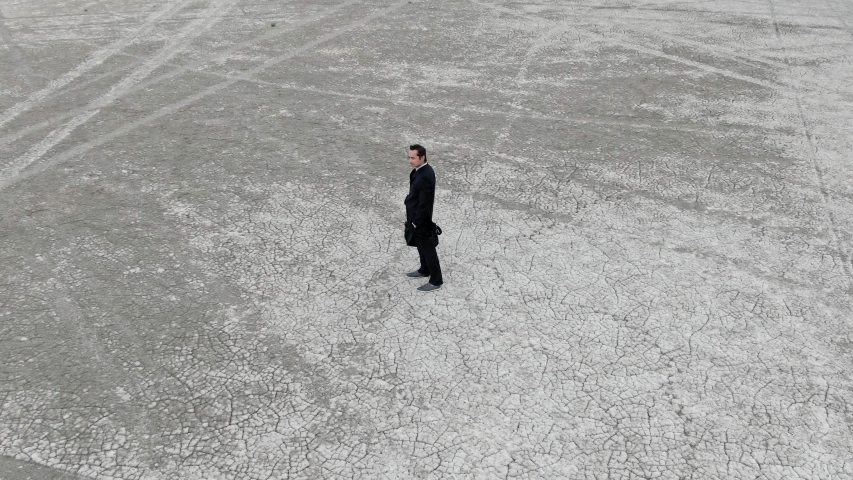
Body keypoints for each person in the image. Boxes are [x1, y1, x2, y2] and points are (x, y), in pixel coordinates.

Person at [404, 144, 443, 291]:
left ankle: (436, 280)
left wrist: (415, 222)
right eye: (409, 157)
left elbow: (425, 203)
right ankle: (424, 269)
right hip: (414, 217)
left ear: (422, 157)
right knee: (421, 246)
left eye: (413, 158)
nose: (410, 160)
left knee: (428, 250)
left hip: (421, 221)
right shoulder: (418, 171)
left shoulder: (426, 175)